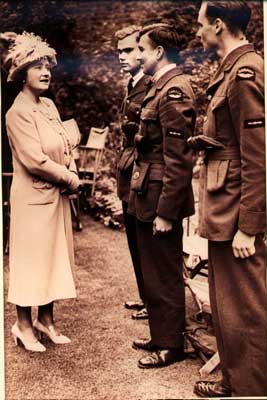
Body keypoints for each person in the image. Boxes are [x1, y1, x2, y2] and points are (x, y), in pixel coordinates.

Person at [187, 1, 267, 397]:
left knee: (248, 308)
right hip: (225, 206)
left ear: (218, 25)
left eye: (201, 24)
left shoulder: (245, 72)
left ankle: (253, 389)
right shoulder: (231, 69)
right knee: (228, 306)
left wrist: (249, 228)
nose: (198, 31)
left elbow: (259, 156)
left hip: (237, 212)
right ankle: (236, 381)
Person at [4, 32, 80, 352]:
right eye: (37, 66)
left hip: (55, 197)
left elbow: (65, 141)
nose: (46, 71)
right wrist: (70, 178)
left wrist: (72, 168)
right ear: (22, 73)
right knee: (30, 261)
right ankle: (23, 326)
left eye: (48, 64)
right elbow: (35, 160)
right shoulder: (16, 112)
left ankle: (46, 321)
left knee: (53, 258)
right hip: (33, 198)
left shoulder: (48, 105)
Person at [128, 23, 196, 368]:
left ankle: (171, 345)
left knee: (165, 270)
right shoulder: (160, 86)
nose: (137, 55)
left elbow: (180, 158)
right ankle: (161, 334)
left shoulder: (174, 90)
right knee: (152, 269)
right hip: (147, 190)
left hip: (160, 196)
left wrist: (167, 212)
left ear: (158, 52)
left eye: (141, 49)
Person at [115, 25, 150, 320]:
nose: (122, 57)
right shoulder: (132, 83)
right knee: (133, 237)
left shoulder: (151, 84)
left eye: (128, 50)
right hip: (128, 169)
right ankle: (145, 295)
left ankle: (154, 301)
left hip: (142, 170)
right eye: (119, 52)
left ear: (142, 51)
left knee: (145, 239)